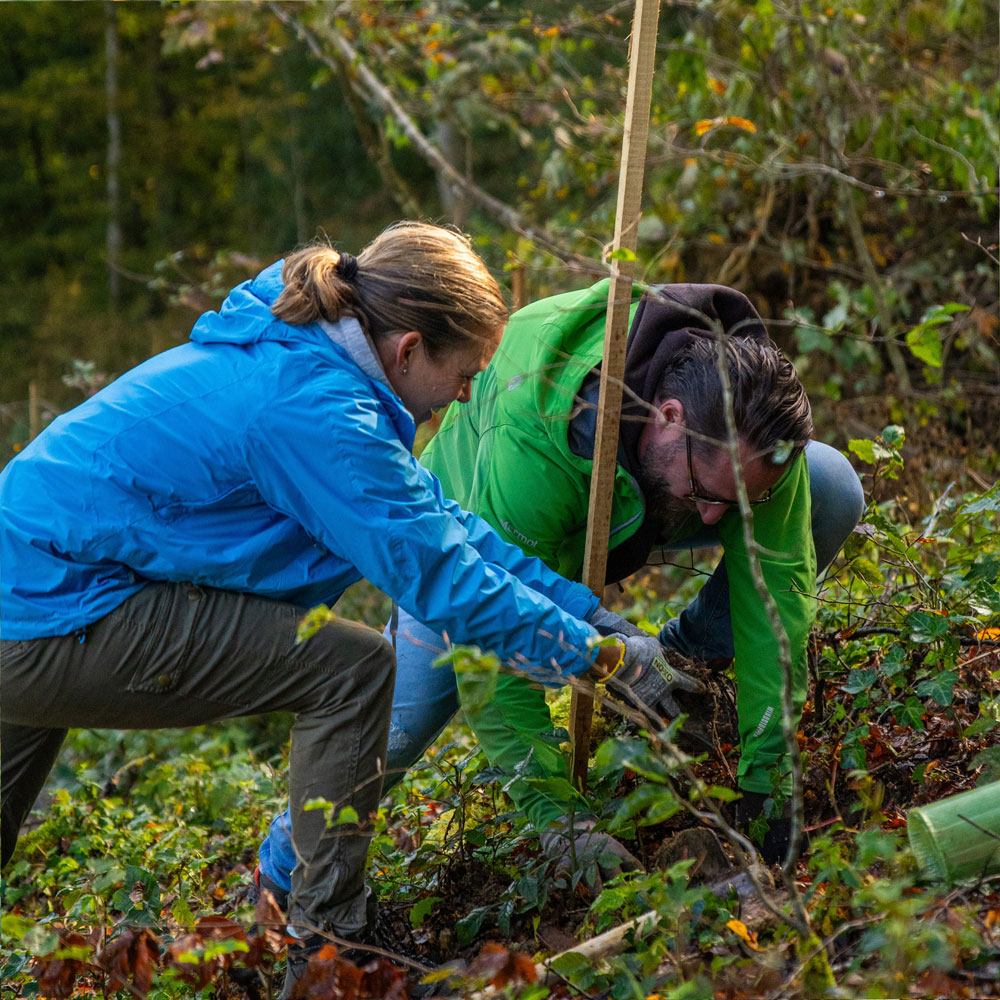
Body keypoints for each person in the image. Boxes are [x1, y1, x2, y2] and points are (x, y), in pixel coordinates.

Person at [0, 224, 678, 994]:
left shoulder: (311, 360)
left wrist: (592, 619)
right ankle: (332, 949)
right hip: (55, 604)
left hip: (21, 572)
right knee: (353, 669)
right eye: (466, 373)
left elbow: (446, 525)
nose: (466, 394)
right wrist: (602, 664)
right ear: (409, 348)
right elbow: (443, 582)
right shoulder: (320, 414)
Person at [259, 278, 865, 889]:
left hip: (637, 503)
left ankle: (682, 660)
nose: (715, 520)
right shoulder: (537, 438)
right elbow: (489, 642)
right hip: (479, 534)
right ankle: (284, 869)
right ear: (670, 417)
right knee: (399, 727)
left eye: (737, 498)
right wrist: (559, 820)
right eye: (709, 494)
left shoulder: (754, 424)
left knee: (831, 485)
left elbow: (774, 599)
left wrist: (770, 778)